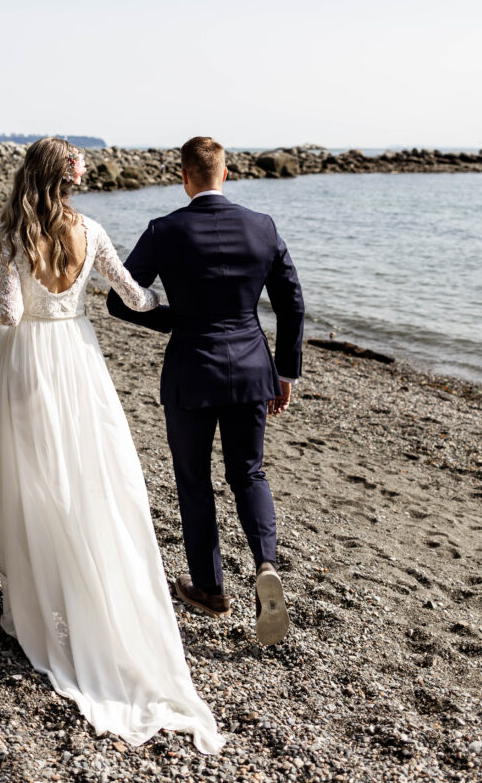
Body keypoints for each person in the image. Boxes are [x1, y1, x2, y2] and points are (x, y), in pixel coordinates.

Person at [0, 137, 223, 753]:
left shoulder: (11, 233)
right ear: (71, 178)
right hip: (79, 364)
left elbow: (7, 314)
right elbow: (135, 297)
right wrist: (195, 308)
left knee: (30, 486)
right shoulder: (94, 231)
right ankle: (84, 603)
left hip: (27, 369)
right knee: (88, 484)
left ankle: (29, 608)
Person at [107, 136, 305, 645]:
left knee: (194, 481)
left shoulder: (166, 230)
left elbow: (120, 300)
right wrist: (285, 373)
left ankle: (212, 589)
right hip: (249, 369)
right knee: (249, 472)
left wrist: (179, 319)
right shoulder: (262, 227)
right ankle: (264, 563)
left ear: (185, 177)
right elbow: (291, 304)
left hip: (192, 368)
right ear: (226, 174)